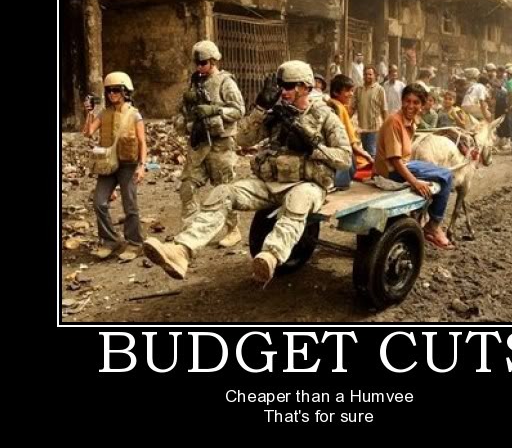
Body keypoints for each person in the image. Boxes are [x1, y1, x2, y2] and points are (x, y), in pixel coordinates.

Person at [143, 60, 351, 285]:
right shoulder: (277, 115)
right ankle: (181, 251)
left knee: (297, 203)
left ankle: (270, 256)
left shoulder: (325, 116)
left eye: (290, 86)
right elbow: (242, 139)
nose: (283, 91)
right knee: (223, 193)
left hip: (305, 184)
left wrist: (313, 148)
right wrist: (260, 109)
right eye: (281, 86)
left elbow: (345, 158)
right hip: (269, 183)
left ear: (305, 87)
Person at [176, 40, 245, 248]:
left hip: (220, 145)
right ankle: (191, 231)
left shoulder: (225, 82)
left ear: (213, 61)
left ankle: (233, 229)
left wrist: (216, 110)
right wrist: (185, 121)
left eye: (203, 63)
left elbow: (239, 110)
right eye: (197, 63)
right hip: (198, 144)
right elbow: (181, 112)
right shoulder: (194, 83)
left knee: (224, 190)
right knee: (187, 187)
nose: (199, 67)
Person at [374, 83, 454, 249]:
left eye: (416, 102)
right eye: (407, 101)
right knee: (446, 176)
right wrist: (414, 182)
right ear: (402, 101)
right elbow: (395, 160)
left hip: (402, 164)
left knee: (437, 169)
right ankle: (433, 225)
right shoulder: (394, 122)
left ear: (422, 105)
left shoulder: (411, 121)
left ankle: (429, 219)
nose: (410, 106)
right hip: (391, 171)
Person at [83, 72, 147, 259]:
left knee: (130, 205)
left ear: (125, 92)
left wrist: (142, 166)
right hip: (108, 165)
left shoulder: (134, 115)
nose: (112, 94)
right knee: (99, 203)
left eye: (116, 90)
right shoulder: (104, 114)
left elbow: (142, 142)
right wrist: (89, 112)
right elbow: (88, 132)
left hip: (128, 164)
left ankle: (135, 243)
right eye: (109, 91)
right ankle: (110, 240)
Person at [326, 74, 374, 188]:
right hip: (341, 156)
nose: (351, 94)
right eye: (347, 91)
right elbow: (351, 142)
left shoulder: (329, 104)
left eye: (352, 91)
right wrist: (367, 156)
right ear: (336, 92)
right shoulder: (340, 108)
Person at [352, 65, 387, 158]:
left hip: (375, 129)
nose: (367, 76)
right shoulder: (358, 89)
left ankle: (374, 167)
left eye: (370, 74)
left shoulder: (380, 90)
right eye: (365, 74)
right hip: (362, 128)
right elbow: (352, 107)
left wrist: (386, 127)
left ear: (375, 76)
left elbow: (384, 109)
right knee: (365, 153)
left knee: (372, 153)